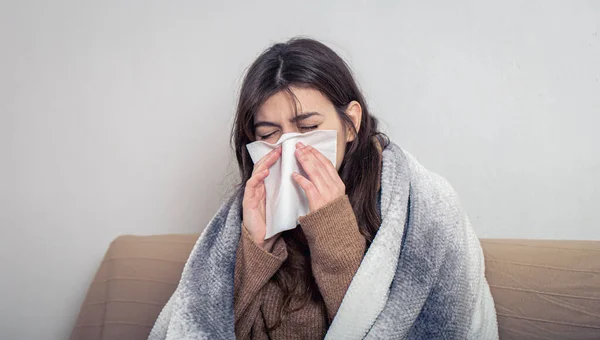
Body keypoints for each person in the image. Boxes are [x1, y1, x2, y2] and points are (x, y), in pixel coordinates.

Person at [148, 37, 498, 340]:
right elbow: (212, 328)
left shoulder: (421, 207)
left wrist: (331, 228)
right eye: (269, 134)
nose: (288, 147)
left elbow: (382, 328)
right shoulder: (249, 211)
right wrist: (257, 247)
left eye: (308, 126)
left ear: (351, 123)